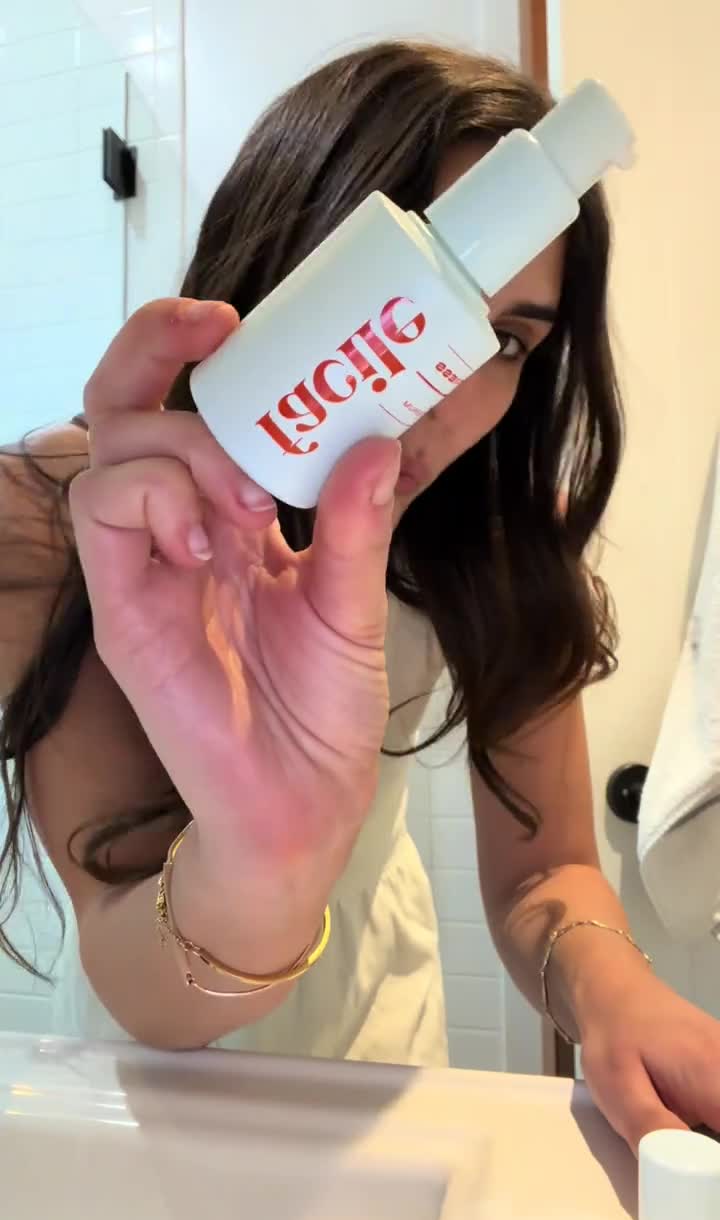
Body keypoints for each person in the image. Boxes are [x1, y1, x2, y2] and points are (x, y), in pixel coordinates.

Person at [1, 40, 718, 1156]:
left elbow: (545, 867)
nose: (443, 384)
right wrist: (263, 863)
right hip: (139, 1114)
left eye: (508, 340)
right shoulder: (68, 510)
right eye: (417, 302)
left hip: (383, 1073)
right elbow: (124, 938)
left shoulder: (487, 532)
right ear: (293, 239)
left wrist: (612, 988)